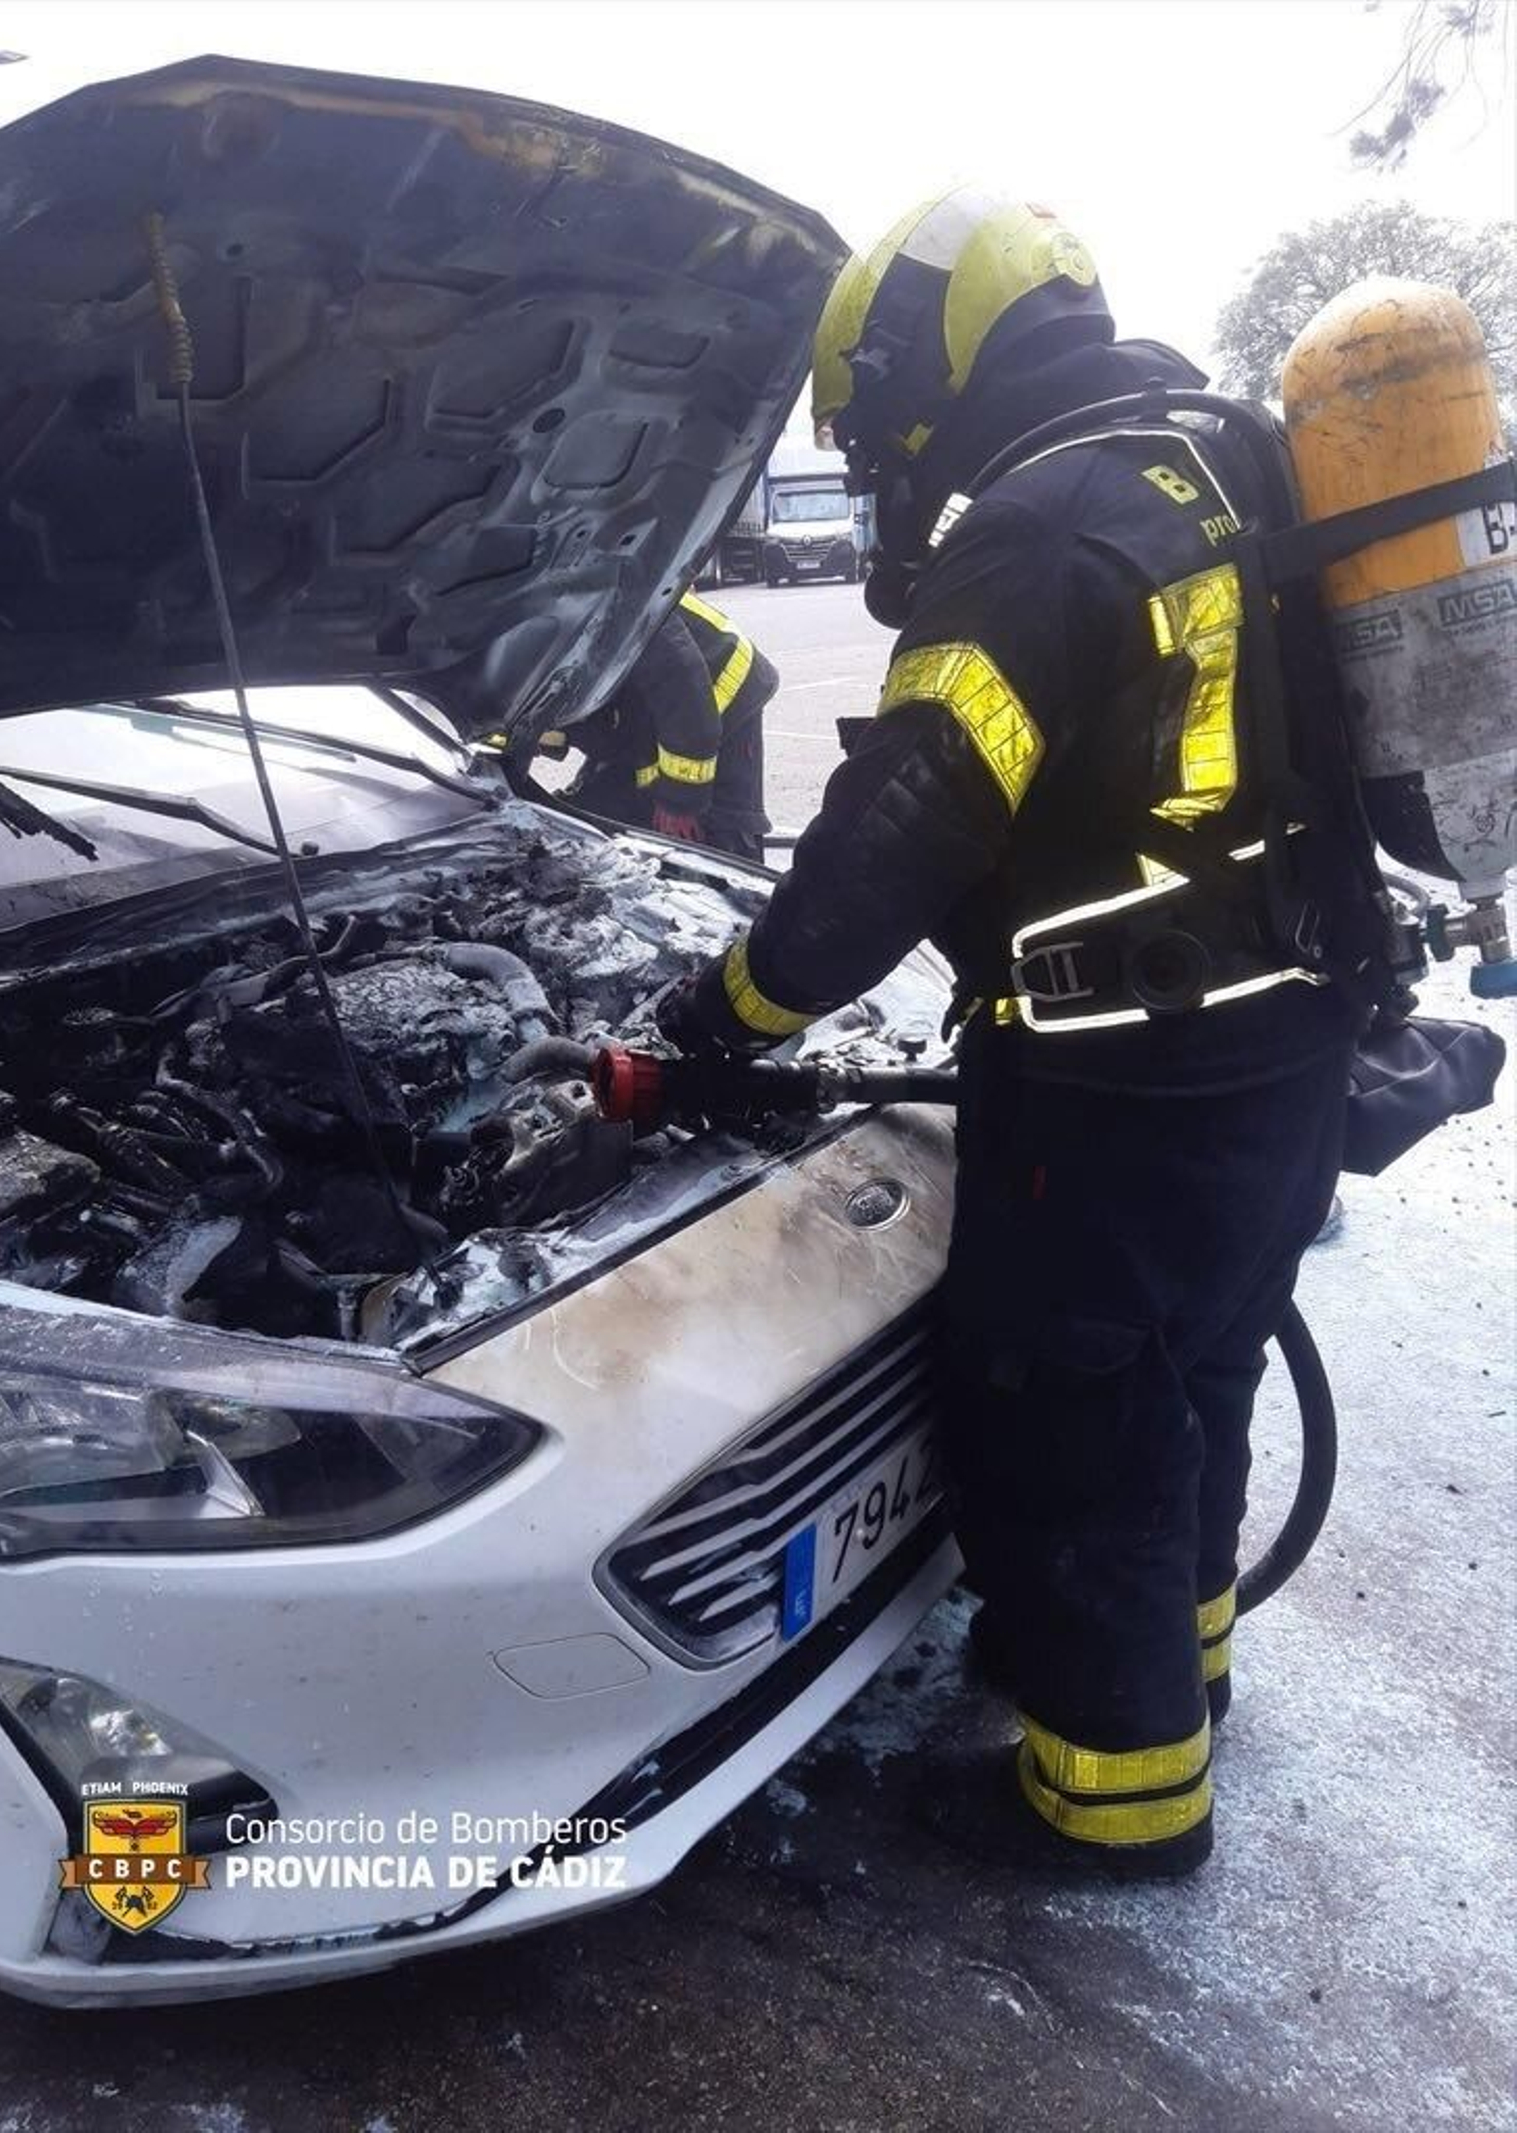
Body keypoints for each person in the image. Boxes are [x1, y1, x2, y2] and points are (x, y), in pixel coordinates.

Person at [659, 190, 1363, 1879]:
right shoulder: (1225, 450)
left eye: (874, 407)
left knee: (1070, 1425)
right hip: (1287, 1042)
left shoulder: (1043, 523)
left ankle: (1110, 1805)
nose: (884, 448)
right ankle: (1158, 1678)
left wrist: (728, 1012)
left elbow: (906, 827)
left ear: (925, 354)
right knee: (1191, 1377)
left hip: (1124, 1077)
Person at [565, 592, 778, 861]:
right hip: (640, 708)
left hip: (718, 691)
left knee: (709, 835)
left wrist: (679, 803)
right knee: (612, 811)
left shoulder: (617, 601)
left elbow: (683, 691)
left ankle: (732, 884)